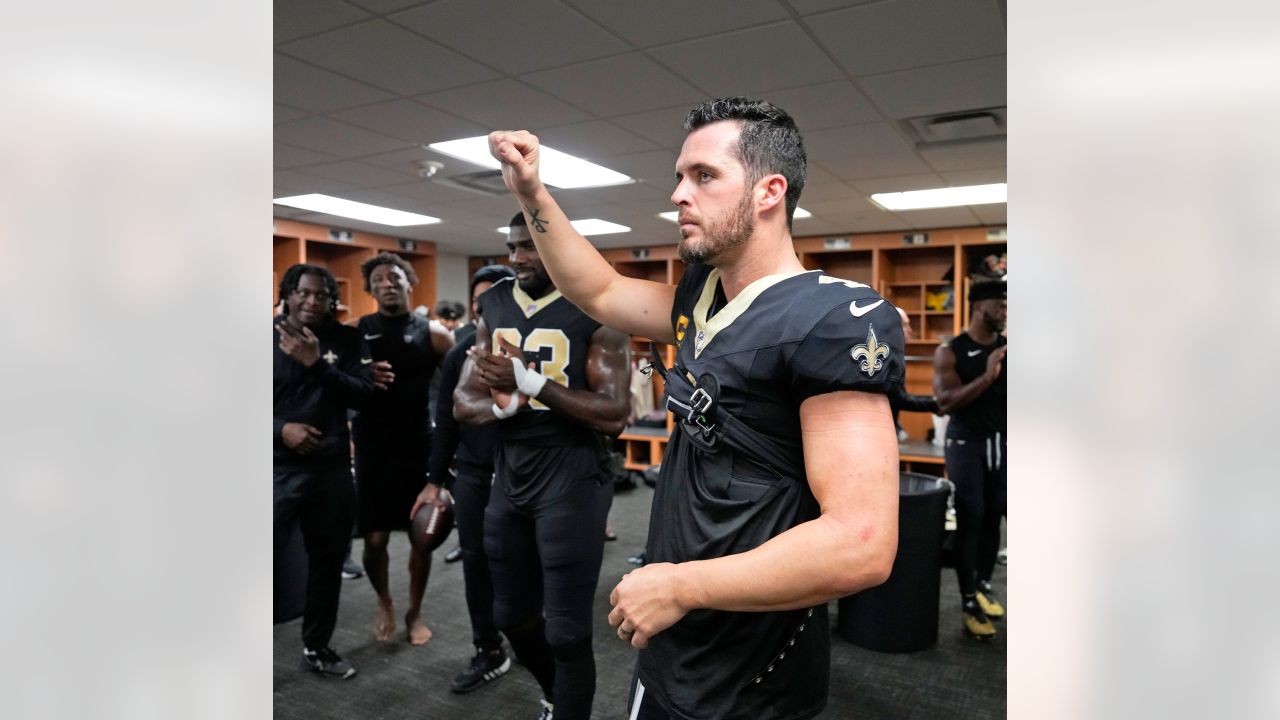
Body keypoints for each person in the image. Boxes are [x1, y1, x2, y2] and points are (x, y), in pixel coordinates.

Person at [488, 97, 902, 720]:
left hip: (748, 667)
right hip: (673, 640)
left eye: (704, 176)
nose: (679, 194)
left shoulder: (831, 320)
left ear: (769, 191)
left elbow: (862, 541)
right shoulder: (698, 300)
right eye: (679, 177)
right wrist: (533, 192)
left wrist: (683, 585)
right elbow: (596, 288)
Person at [454, 213, 631, 720]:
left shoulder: (597, 305)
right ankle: (557, 692)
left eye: (528, 247)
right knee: (509, 614)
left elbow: (616, 414)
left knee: (569, 629)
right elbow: (464, 401)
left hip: (572, 473)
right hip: (510, 471)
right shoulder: (494, 302)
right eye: (511, 247)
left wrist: (534, 388)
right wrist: (505, 407)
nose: (516, 258)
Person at [412, 264, 517, 694]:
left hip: (524, 475)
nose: (484, 305)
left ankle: (532, 637)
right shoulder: (459, 354)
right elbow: (446, 422)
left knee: (525, 563)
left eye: (494, 296)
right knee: (477, 563)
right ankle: (488, 648)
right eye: (479, 299)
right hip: (474, 475)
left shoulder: (527, 347)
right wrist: (434, 481)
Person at [273, 263, 379, 679]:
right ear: (287, 293)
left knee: (327, 562)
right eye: (303, 293)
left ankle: (316, 646)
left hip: (331, 471)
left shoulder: (347, 339)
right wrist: (281, 429)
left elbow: (365, 394)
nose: (312, 301)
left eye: (321, 295)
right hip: (274, 470)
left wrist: (318, 364)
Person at [351, 252, 454, 645]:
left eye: (394, 278)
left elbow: (457, 387)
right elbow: (336, 382)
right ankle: (384, 601)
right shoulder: (356, 331)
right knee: (374, 541)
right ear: (370, 288)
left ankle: (414, 611)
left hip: (419, 445)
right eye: (378, 280)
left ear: (409, 282)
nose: (387, 284)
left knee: (421, 538)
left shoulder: (434, 333)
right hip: (373, 447)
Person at [933, 281, 1007, 638]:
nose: (1005, 312)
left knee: (995, 516)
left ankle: (982, 585)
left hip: (999, 444)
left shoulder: (1008, 348)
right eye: (1000, 305)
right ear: (980, 306)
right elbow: (946, 401)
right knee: (971, 516)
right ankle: (966, 600)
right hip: (965, 444)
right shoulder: (951, 351)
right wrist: (988, 375)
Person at [890, 307, 940, 440]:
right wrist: (937, 403)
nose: (910, 331)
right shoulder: (885, 358)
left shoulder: (895, 356)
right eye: (905, 325)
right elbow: (898, 399)